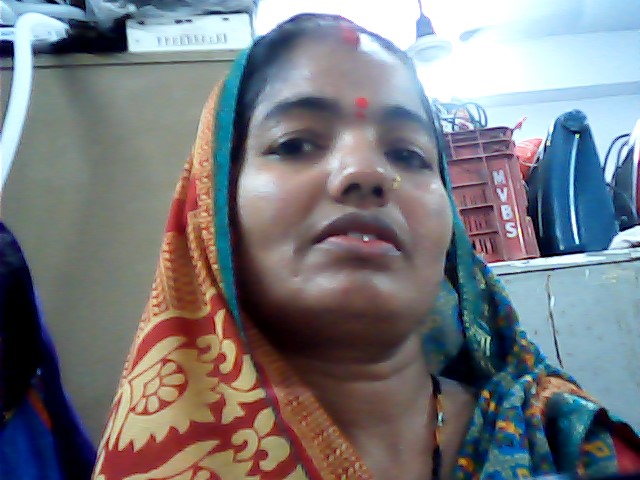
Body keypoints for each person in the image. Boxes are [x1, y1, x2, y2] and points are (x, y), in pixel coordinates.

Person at [92, 14, 640, 480]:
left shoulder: (570, 450)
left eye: (408, 154)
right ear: (214, 215)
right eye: (295, 143)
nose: (366, 172)